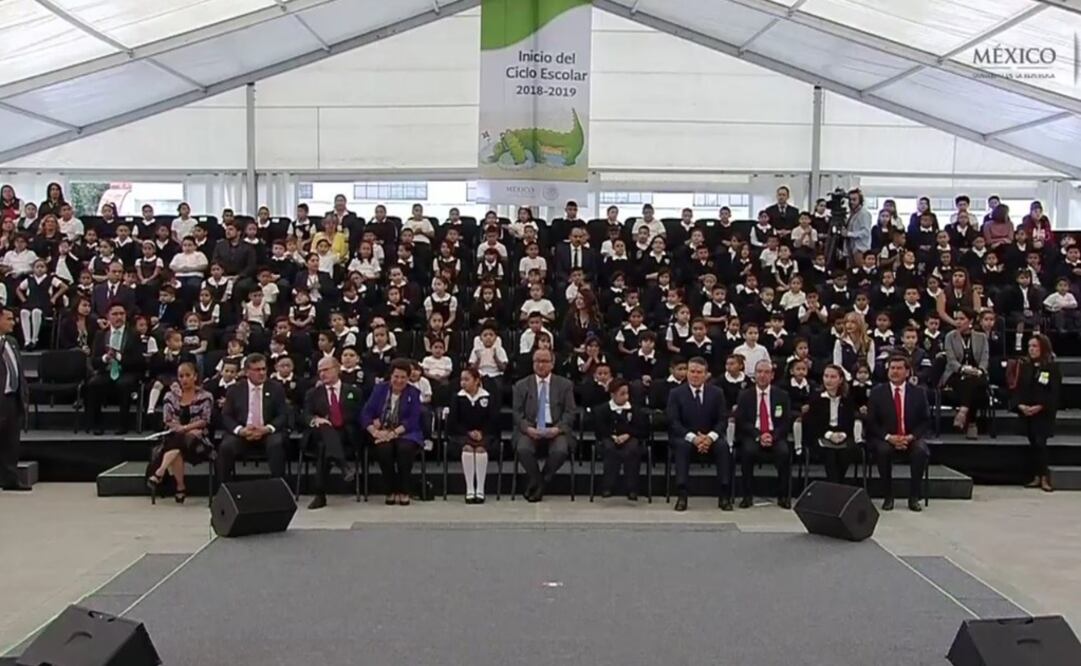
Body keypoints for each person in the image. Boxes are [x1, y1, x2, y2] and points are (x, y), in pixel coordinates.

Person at [866, 356, 931, 512]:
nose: (895, 371)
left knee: (920, 451)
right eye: (892, 368)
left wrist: (910, 437)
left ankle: (914, 497)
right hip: (886, 437)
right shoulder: (877, 392)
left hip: (910, 437)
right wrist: (889, 437)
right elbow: (871, 422)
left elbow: (925, 421)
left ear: (907, 372)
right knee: (883, 451)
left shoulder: (918, 392)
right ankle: (888, 496)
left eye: (899, 368)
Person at [666, 356, 731, 512]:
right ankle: (682, 495)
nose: (695, 375)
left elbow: (723, 420)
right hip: (685, 437)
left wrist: (709, 437)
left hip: (710, 436)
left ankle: (724, 495)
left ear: (706, 374)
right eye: (692, 371)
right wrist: (694, 438)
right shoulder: (676, 393)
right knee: (682, 447)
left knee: (723, 447)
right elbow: (673, 422)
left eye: (699, 372)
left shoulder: (717, 393)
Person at [512, 348, 577, 502]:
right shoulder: (521, 385)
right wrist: (528, 428)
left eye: (544, 361)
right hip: (531, 427)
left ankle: (539, 482)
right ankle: (539, 482)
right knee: (523, 449)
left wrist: (557, 429)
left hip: (555, 427)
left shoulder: (565, 385)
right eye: (537, 361)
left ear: (552, 364)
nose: (540, 365)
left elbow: (570, 412)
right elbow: (517, 413)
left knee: (560, 450)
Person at [147, 362, 214, 504]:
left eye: (188, 375)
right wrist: (179, 428)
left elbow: (204, 420)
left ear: (195, 377)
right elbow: (168, 420)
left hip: (197, 442)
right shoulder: (170, 396)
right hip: (177, 436)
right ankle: (180, 486)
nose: (184, 379)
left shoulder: (206, 396)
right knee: (177, 446)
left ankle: (160, 472)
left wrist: (185, 428)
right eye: (181, 376)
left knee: (180, 439)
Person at [361, 358, 424, 505]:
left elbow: (413, 420)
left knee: (404, 448)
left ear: (408, 378)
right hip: (381, 432)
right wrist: (374, 432)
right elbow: (366, 413)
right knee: (384, 450)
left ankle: (404, 490)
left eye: (403, 377)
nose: (399, 381)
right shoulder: (379, 389)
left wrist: (392, 434)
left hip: (405, 432)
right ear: (390, 376)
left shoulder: (413, 393)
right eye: (396, 376)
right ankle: (390, 489)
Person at [218, 353, 289, 484]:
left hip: (267, 432)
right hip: (243, 432)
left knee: (276, 444)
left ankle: (279, 487)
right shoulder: (235, 389)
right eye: (257, 370)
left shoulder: (276, 388)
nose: (262, 373)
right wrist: (240, 430)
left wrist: (267, 429)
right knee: (226, 446)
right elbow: (226, 416)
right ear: (246, 372)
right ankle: (225, 488)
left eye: (264, 369)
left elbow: (283, 415)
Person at [303, 356, 363, 510]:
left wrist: (341, 420)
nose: (322, 374)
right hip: (320, 433)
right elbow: (305, 415)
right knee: (325, 430)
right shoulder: (313, 393)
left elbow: (359, 414)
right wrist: (316, 420)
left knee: (325, 447)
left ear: (337, 369)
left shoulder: (353, 391)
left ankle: (320, 495)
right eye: (319, 371)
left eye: (326, 370)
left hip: (345, 434)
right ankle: (343, 466)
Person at [734, 360, 793, 509]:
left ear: (772, 375)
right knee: (747, 451)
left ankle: (783, 496)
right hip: (753, 434)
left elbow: (786, 422)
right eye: (759, 372)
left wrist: (773, 436)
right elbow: (741, 421)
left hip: (775, 435)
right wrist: (759, 435)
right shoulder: (745, 395)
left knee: (784, 452)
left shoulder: (782, 395)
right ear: (754, 375)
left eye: (766, 372)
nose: (762, 375)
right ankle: (747, 496)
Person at [1012, 334, 1061, 492]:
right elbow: (1018, 388)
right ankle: (1036, 476)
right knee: (1033, 443)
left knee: (1041, 443)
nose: (1031, 350)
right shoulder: (1025, 365)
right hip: (1027, 410)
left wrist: (1040, 406)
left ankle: (1045, 477)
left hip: (1043, 412)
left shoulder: (1051, 367)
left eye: (1035, 347)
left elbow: (1054, 392)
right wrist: (1021, 405)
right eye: (1030, 347)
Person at [86, 303, 144, 435]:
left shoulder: (134, 334)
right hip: (106, 370)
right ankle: (97, 424)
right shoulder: (100, 335)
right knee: (93, 384)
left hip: (127, 371)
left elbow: (139, 361)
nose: (119, 317)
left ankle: (123, 425)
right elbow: (94, 361)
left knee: (124, 384)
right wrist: (105, 358)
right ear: (108, 317)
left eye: (122, 314)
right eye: (115, 314)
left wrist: (119, 356)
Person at [447, 367, 500, 503]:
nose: (463, 383)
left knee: (481, 449)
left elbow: (493, 419)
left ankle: (480, 489)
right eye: (462, 380)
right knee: (468, 449)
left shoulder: (488, 397)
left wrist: (482, 432)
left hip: (485, 434)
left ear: (477, 381)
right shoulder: (457, 398)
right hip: (462, 434)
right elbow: (453, 421)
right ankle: (470, 489)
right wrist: (468, 432)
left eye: (467, 379)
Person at [593, 378, 647, 500]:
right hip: (609, 438)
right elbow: (599, 429)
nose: (626, 397)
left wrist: (627, 434)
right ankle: (607, 486)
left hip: (630, 438)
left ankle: (632, 488)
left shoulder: (635, 410)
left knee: (632, 449)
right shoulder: (601, 410)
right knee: (609, 449)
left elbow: (642, 429)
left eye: (627, 393)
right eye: (622, 394)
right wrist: (612, 435)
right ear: (612, 394)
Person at [940, 307, 988, 439]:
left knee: (975, 381)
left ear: (970, 321)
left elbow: (984, 359)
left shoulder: (981, 337)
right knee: (969, 382)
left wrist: (979, 370)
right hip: (956, 374)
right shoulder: (950, 337)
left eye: (962, 319)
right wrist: (963, 369)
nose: (958, 322)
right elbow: (951, 360)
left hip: (977, 374)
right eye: (956, 319)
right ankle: (972, 422)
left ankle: (963, 411)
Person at [806, 364, 857, 484]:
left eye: (833, 377)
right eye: (826, 376)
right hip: (821, 435)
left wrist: (843, 435)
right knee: (830, 454)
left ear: (840, 380)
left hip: (842, 435)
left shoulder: (847, 399)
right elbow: (813, 424)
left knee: (846, 452)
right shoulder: (816, 398)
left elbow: (850, 422)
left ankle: (837, 486)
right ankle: (835, 488)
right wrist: (829, 435)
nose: (828, 380)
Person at [0, 308, 27, 490]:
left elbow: (18, 369)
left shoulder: (11, 342)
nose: (13, 322)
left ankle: (10, 479)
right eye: (9, 319)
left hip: (12, 398)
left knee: (11, 442)